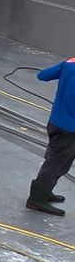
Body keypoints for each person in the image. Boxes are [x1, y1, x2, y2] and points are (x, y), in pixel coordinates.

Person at [26, 57, 75, 216]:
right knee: (56, 163)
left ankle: (45, 191)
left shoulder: (70, 62)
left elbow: (43, 75)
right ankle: (37, 199)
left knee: (55, 159)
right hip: (70, 129)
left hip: (55, 122)